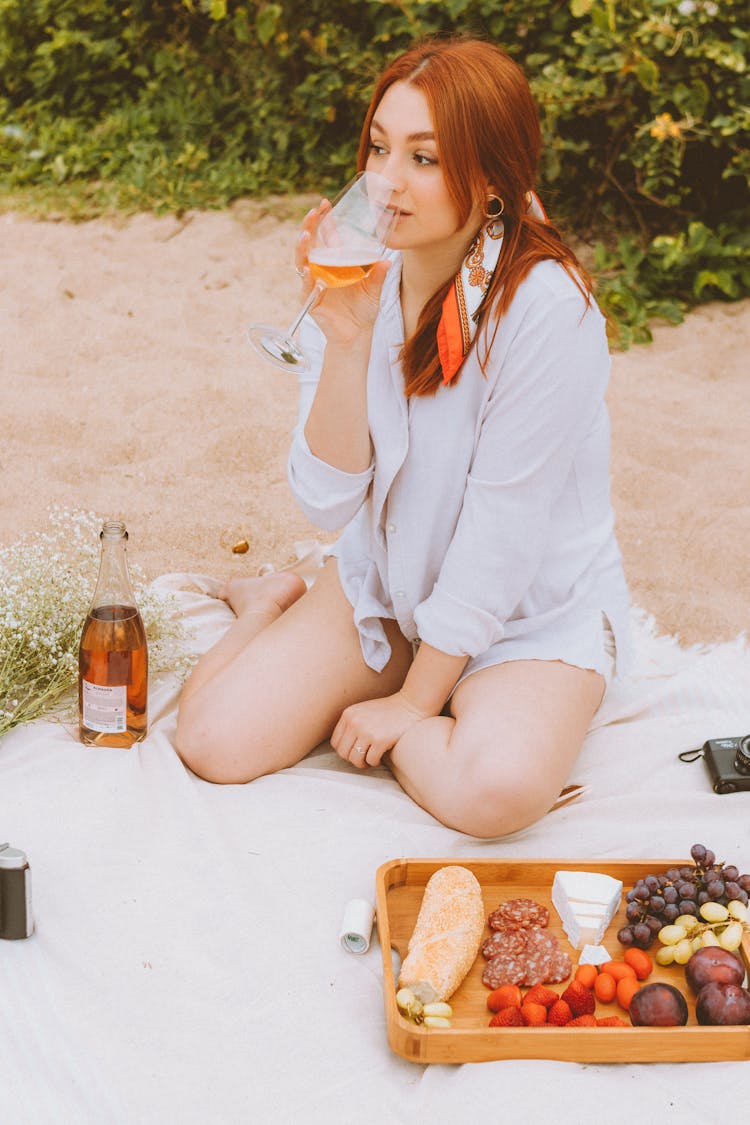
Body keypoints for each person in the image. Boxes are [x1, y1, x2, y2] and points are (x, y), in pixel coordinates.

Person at [175, 36, 632, 838]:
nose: (386, 182)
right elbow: (326, 497)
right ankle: (265, 600)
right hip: (391, 586)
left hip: (528, 613)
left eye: (424, 158)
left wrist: (412, 704)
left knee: (495, 795)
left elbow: (503, 533)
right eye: (379, 148)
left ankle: (451, 701)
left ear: (491, 180)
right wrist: (346, 344)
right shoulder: (361, 269)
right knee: (212, 741)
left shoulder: (548, 309)